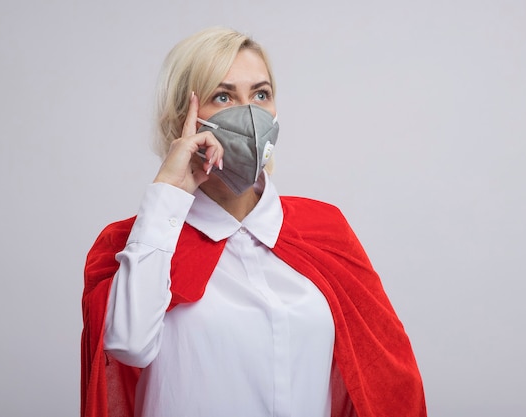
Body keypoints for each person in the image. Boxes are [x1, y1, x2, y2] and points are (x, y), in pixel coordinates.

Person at [81, 27, 427, 417]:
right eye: (223, 96)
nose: (248, 113)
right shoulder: (138, 241)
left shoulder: (324, 228)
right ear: (184, 119)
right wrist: (167, 192)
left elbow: (382, 374)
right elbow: (127, 343)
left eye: (261, 94)